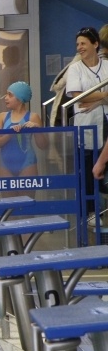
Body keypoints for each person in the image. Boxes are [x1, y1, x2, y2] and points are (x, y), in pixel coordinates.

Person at [66, 26, 108, 213]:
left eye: (83, 43)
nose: (79, 47)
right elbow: (78, 97)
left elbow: (87, 96)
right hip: (85, 128)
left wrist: (97, 100)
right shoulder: (75, 69)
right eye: (77, 44)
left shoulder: (106, 65)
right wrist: (105, 95)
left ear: (95, 44)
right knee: (87, 178)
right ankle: (91, 215)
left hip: (105, 125)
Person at [0, 81, 47, 182]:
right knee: (8, 198)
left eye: (10, 95)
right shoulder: (2, 117)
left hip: (28, 163)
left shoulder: (33, 117)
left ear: (20, 98)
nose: (6, 98)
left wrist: (36, 129)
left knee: (27, 198)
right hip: (5, 165)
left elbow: (43, 146)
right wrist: (10, 135)